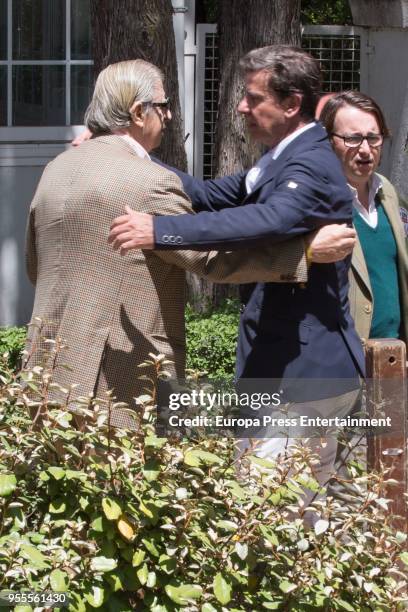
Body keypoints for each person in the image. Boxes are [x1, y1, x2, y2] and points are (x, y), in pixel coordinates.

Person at [108, 45, 365, 515]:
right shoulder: (279, 158)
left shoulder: (308, 163)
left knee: (262, 516)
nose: (241, 108)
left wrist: (159, 231)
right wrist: (121, 150)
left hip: (304, 376)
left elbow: (269, 219)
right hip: (287, 369)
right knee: (297, 518)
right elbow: (206, 194)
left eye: (253, 98)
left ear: (291, 105)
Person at [25, 58, 340, 426]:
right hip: (122, 375)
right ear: (139, 112)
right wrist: (302, 254)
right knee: (134, 481)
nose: (170, 116)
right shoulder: (149, 182)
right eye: (163, 106)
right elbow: (212, 262)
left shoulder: (57, 168)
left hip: (46, 367)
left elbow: (35, 265)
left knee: (54, 480)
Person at [319, 91, 408, 343]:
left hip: (393, 353)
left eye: (373, 138)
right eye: (353, 138)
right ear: (329, 141)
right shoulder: (314, 201)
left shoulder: (388, 192)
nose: (366, 150)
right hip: (344, 359)